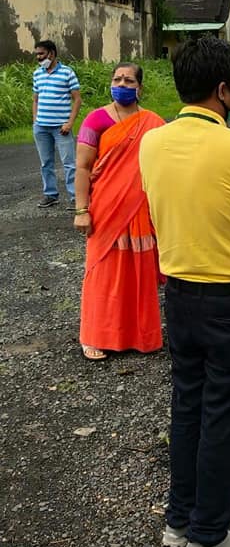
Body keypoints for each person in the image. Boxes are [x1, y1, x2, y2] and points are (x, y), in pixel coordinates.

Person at [139, 37, 230, 547]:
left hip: (179, 295)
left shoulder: (152, 142)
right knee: (223, 416)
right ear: (223, 89)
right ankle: (208, 538)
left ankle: (179, 520)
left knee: (187, 406)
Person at [73, 64, 165, 361]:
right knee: (104, 273)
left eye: (128, 80)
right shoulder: (95, 119)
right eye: (117, 79)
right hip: (105, 209)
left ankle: (139, 336)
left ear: (140, 87)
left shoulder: (153, 123)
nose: (121, 83)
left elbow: (166, 167)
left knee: (139, 274)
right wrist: (81, 210)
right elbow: (83, 167)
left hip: (141, 210)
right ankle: (95, 335)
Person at [32, 40, 82, 208]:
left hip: (61, 128)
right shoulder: (37, 74)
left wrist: (70, 123)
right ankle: (50, 195)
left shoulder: (67, 73)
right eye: (37, 54)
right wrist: (35, 120)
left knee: (69, 164)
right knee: (46, 163)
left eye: (41, 54)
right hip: (41, 127)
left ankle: (76, 198)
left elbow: (77, 99)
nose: (39, 57)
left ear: (51, 54)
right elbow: (35, 99)